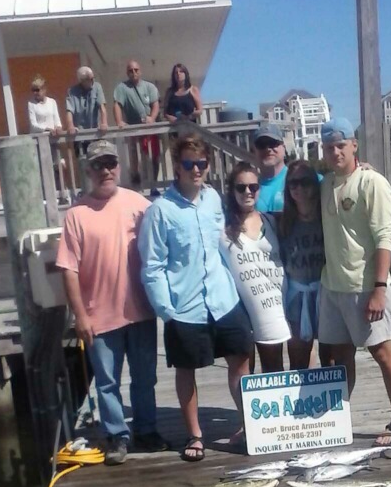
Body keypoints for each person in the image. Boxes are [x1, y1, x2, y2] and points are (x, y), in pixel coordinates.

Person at [139, 134, 253, 462]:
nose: (196, 169)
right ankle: (195, 434)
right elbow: (153, 264)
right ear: (177, 166)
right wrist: (166, 309)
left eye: (201, 163)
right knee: (186, 369)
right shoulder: (160, 210)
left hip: (223, 298)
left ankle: (248, 424)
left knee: (240, 360)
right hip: (184, 307)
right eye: (189, 164)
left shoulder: (214, 199)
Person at [56, 139, 168, 465]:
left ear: (118, 167)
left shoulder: (140, 204)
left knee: (145, 376)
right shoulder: (76, 215)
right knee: (107, 383)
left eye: (111, 164)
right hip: (99, 317)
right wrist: (80, 315)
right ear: (88, 170)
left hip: (141, 311)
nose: (106, 170)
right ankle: (117, 436)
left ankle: (146, 430)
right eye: (98, 165)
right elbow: (68, 270)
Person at [319, 118, 391, 445]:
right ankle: (337, 423)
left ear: (354, 145)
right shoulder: (325, 182)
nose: (335, 152)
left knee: (382, 351)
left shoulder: (372, 182)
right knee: (341, 357)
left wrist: (379, 289)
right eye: (329, 147)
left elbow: (385, 237)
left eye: (341, 145)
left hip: (365, 287)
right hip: (333, 287)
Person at [221, 162, 290, 374]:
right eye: (241, 187)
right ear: (232, 191)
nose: (248, 192)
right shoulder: (220, 227)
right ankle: (245, 409)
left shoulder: (273, 220)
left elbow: (313, 203)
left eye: (253, 187)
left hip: (274, 305)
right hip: (239, 308)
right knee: (243, 371)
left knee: (274, 367)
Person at [279, 159, 330, 369]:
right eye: (293, 183)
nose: (298, 188)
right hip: (297, 297)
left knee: (331, 357)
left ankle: (331, 401)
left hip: (326, 293)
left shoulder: (328, 216)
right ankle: (301, 401)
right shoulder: (281, 222)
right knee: (298, 358)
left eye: (305, 182)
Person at [113, 60, 160, 186]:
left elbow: (155, 105)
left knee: (151, 158)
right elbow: (117, 105)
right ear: (127, 72)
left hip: (149, 129)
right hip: (132, 129)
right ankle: (136, 179)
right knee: (133, 156)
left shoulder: (149, 87)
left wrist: (152, 118)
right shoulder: (122, 88)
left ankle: (153, 184)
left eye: (136, 70)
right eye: (130, 70)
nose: (133, 72)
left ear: (140, 71)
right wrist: (119, 122)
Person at [66, 66, 108, 141]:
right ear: (81, 80)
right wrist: (70, 126)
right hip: (79, 134)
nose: (93, 81)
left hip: (96, 133)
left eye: (93, 78)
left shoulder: (97, 87)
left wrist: (104, 123)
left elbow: (102, 107)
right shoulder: (72, 91)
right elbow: (69, 111)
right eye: (90, 79)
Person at [253, 123, 287, 212]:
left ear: (284, 148)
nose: (268, 149)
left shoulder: (302, 178)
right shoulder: (248, 188)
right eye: (262, 145)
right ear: (254, 151)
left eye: (273, 143)